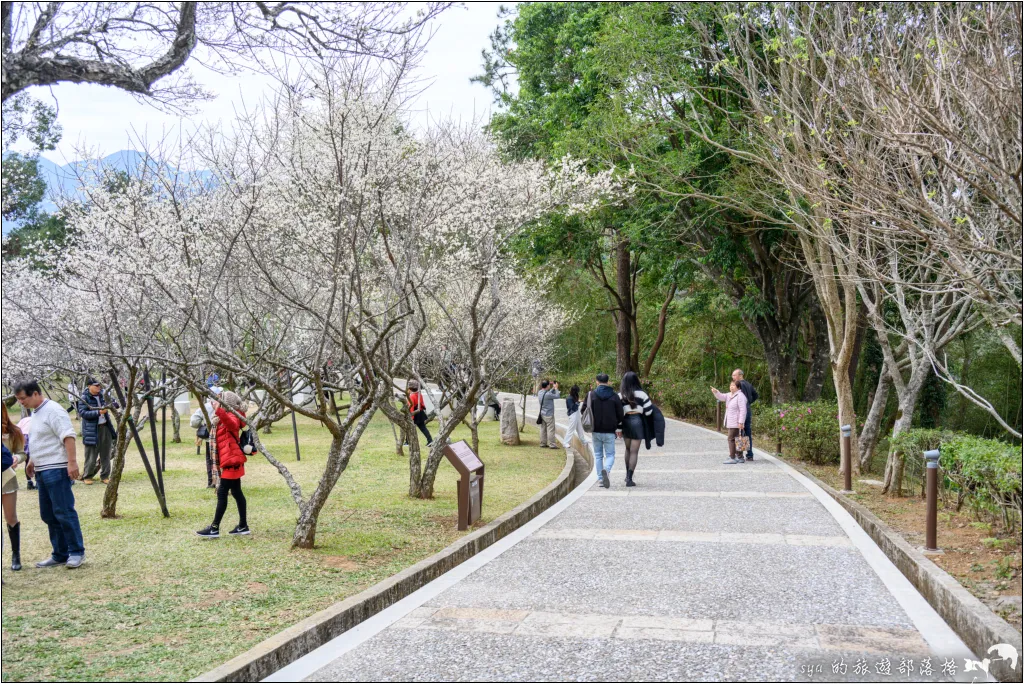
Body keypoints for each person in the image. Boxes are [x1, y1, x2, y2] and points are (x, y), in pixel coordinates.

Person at [14, 380, 86, 568]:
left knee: (64, 511)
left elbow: (68, 435)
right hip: (42, 469)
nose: (21, 402)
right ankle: (60, 553)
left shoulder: (54, 410)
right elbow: (40, 440)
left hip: (57, 467)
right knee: (48, 514)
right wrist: (32, 461)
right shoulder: (36, 412)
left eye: (23, 398)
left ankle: (76, 551)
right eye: (19, 399)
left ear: (35, 394)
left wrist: (72, 462)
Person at [196, 391, 250, 538]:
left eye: (221, 400)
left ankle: (214, 528)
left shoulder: (233, 415)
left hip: (231, 461)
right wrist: (218, 411)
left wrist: (219, 409)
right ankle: (243, 526)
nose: (217, 402)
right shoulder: (222, 417)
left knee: (222, 493)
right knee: (237, 493)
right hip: (231, 460)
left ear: (227, 403)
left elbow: (232, 425)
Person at [588, 373, 624, 489]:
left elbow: (584, 410)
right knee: (610, 454)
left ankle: (600, 479)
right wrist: (618, 427)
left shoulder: (592, 395)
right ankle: (606, 470)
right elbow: (620, 414)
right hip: (609, 431)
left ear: (597, 382)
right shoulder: (614, 396)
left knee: (598, 455)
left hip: (596, 430)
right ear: (608, 382)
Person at [617, 372, 653, 487]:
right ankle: (629, 478)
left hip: (626, 422)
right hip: (638, 422)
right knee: (634, 451)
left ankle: (626, 475)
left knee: (627, 450)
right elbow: (648, 411)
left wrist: (618, 428)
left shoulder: (620, 395)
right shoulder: (643, 395)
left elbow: (618, 413)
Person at [2, 404, 27, 571]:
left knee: (11, 517)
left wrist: (17, 458)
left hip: (6, 478)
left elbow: (22, 452)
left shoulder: (14, 431)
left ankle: (15, 554)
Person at [78, 378, 113, 484]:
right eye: (96, 385)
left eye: (99, 385)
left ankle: (105, 476)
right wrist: (99, 412)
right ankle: (87, 476)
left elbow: (114, 403)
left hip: (105, 427)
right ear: (89, 386)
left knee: (106, 454)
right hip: (91, 430)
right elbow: (83, 413)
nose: (98, 387)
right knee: (91, 455)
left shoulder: (104, 395)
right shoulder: (84, 398)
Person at [712, 380, 749, 464]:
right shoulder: (729, 395)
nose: (731, 387)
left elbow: (743, 410)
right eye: (731, 385)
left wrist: (741, 422)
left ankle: (732, 457)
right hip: (731, 421)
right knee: (739, 438)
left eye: (733, 385)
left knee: (731, 439)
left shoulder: (740, 396)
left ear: (738, 387)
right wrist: (716, 392)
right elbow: (721, 397)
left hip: (736, 422)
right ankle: (740, 457)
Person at [190, 396, 216, 488]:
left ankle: (211, 481)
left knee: (210, 460)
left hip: (209, 438)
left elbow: (194, 422)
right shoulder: (226, 405)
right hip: (224, 437)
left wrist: (202, 425)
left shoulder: (205, 406)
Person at [732, 369, 758, 460]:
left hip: (741, 411)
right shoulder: (748, 384)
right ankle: (750, 454)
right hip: (748, 410)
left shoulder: (739, 385)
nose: (733, 377)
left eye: (734, 375)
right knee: (747, 432)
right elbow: (756, 395)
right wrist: (749, 402)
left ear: (740, 375)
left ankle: (740, 454)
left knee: (740, 432)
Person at [561, 385, 590, 450]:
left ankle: (583, 440)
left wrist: (577, 402)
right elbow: (572, 408)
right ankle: (565, 442)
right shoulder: (569, 398)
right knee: (571, 429)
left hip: (576, 413)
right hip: (572, 414)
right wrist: (577, 403)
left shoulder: (574, 396)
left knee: (579, 427)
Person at [407, 380, 433, 447]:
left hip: (415, 414)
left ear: (410, 388)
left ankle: (407, 442)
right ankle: (430, 440)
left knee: (409, 427)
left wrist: (411, 417)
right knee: (423, 428)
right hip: (420, 412)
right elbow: (422, 403)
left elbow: (411, 407)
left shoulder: (411, 396)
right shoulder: (419, 394)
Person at [537, 380, 560, 448]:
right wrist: (556, 388)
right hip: (549, 415)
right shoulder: (548, 394)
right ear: (547, 386)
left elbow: (548, 393)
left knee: (543, 429)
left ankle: (543, 443)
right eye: (549, 385)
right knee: (551, 430)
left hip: (542, 414)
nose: (550, 385)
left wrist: (553, 388)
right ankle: (552, 444)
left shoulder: (540, 392)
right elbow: (557, 396)